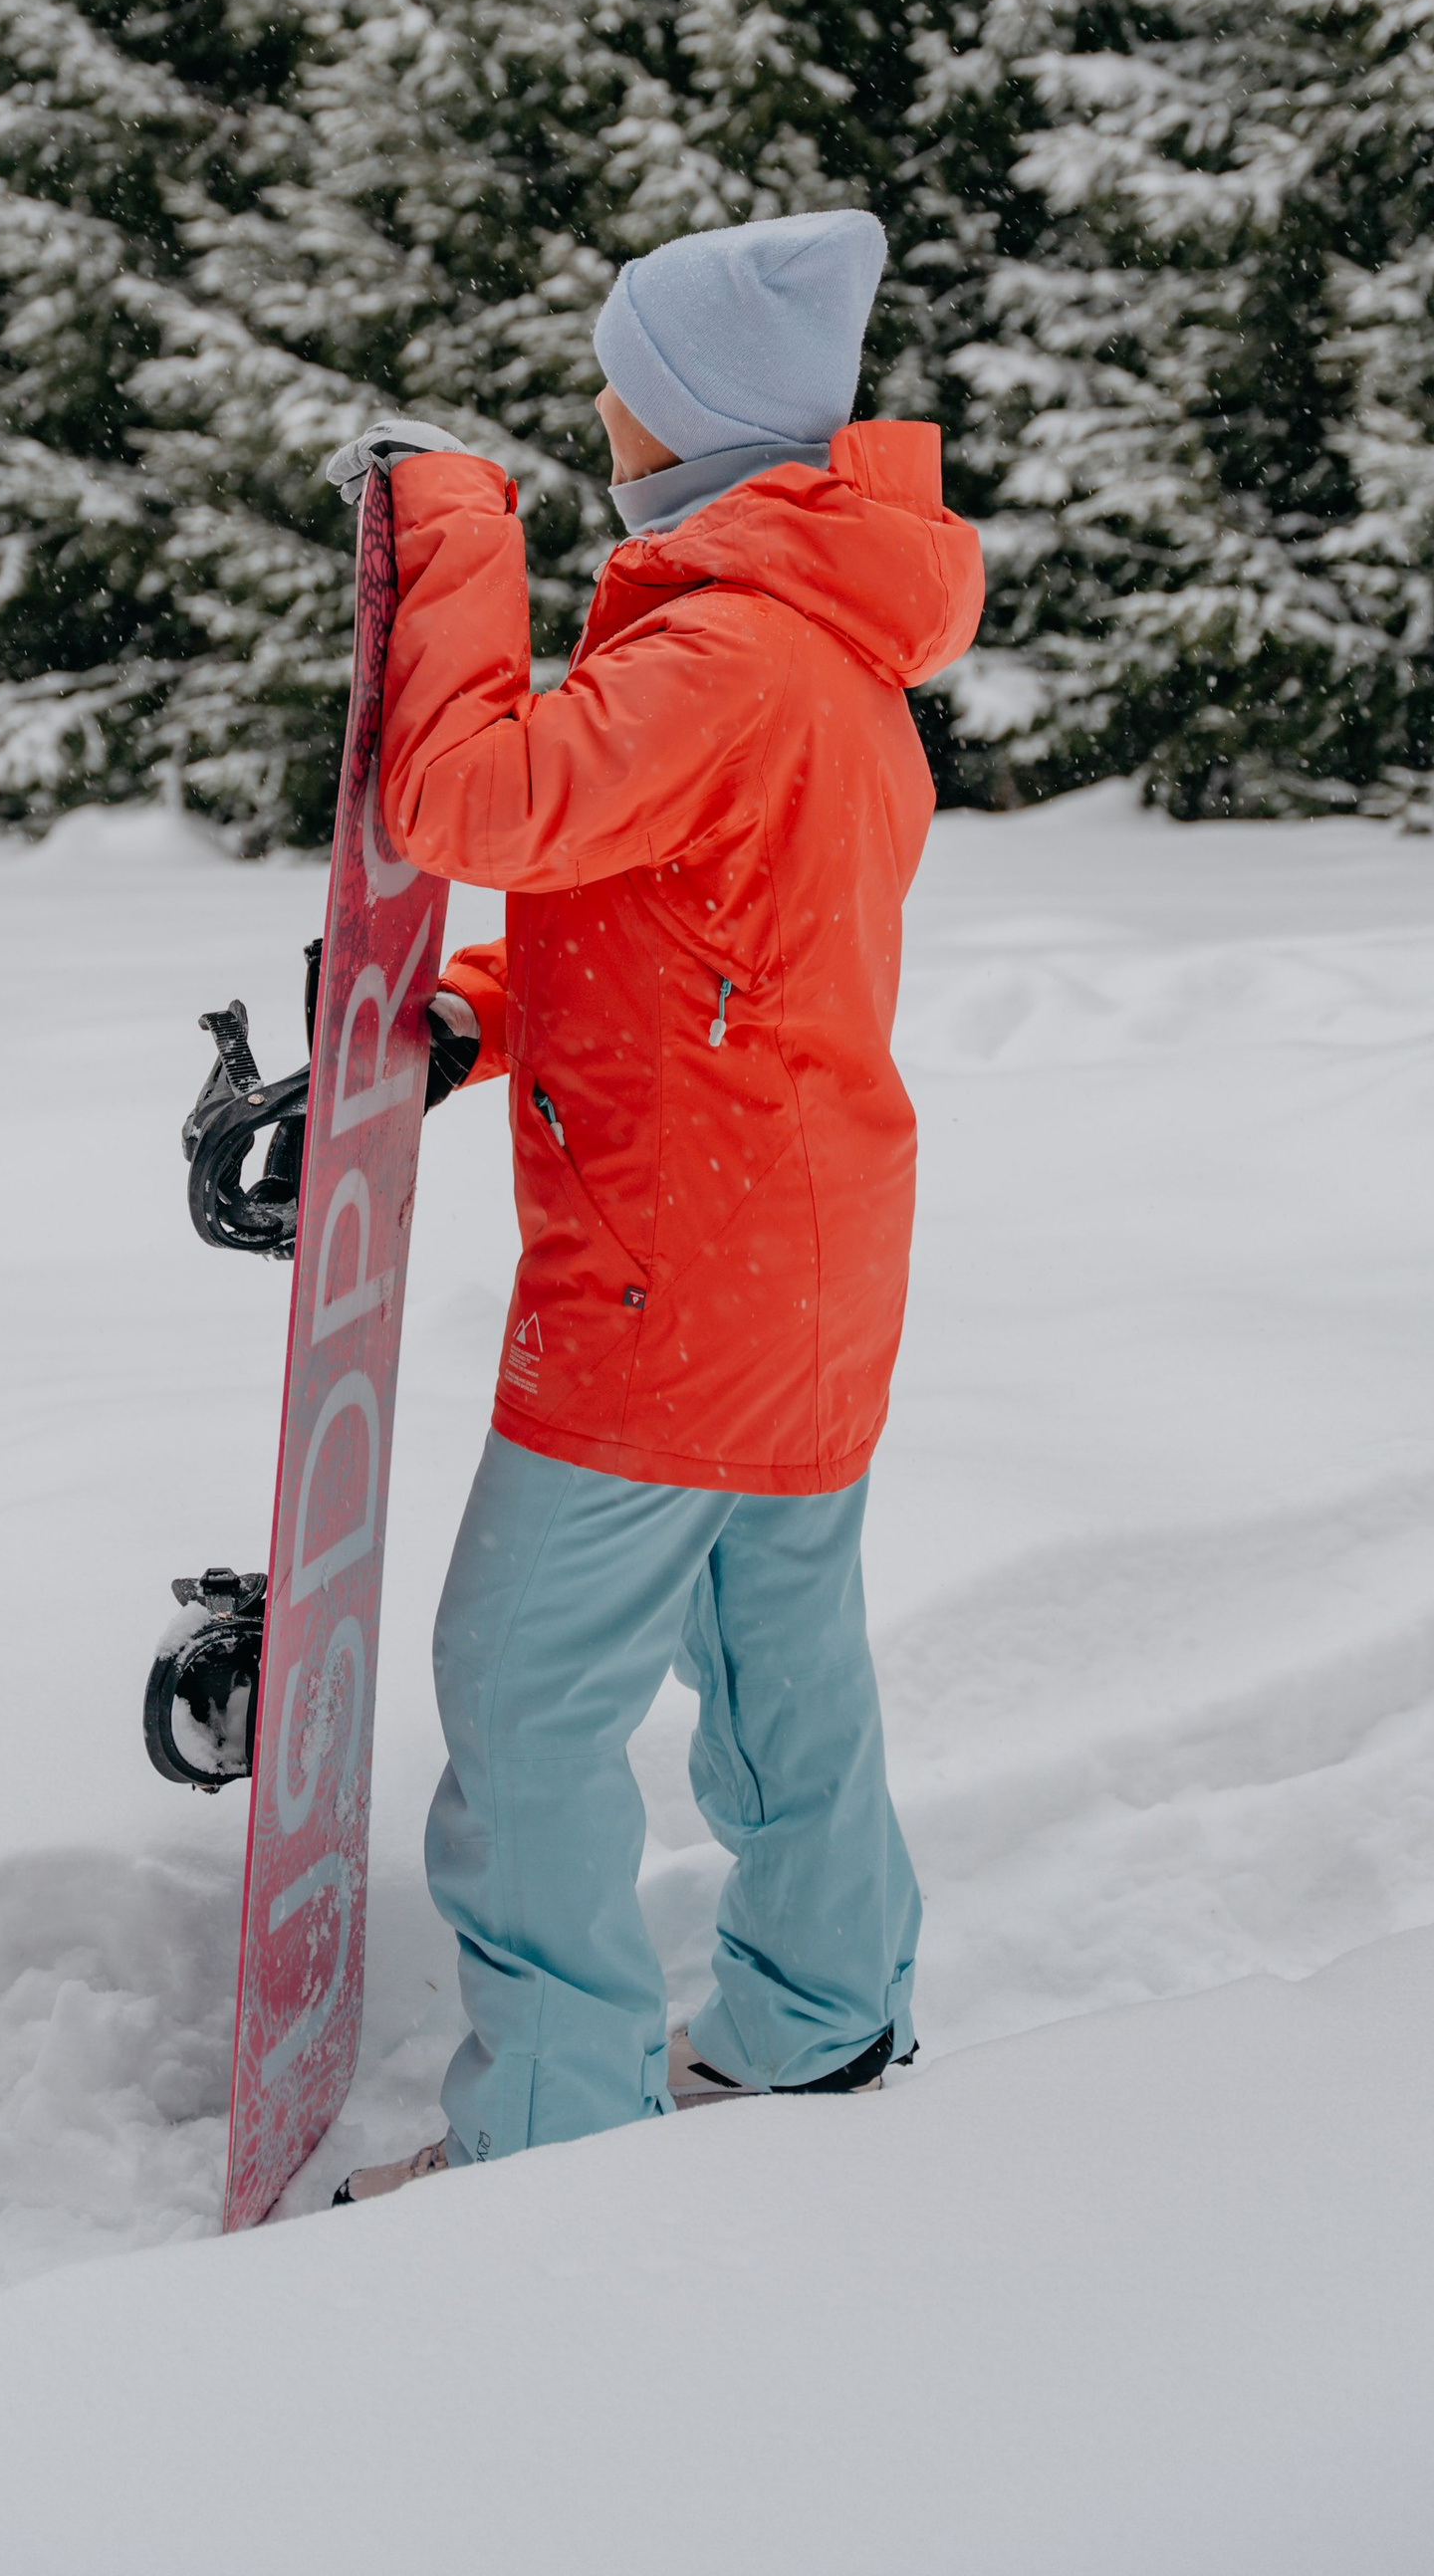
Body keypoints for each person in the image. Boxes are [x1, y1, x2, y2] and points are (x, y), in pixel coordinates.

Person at [325, 209, 983, 2201]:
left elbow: (468, 803)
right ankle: (817, 2007)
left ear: (679, 414)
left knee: (522, 1697)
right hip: (805, 1259)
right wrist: (473, 1010)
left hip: (669, 1285)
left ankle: (551, 2137)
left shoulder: (723, 648)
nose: (598, 410)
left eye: (617, 378)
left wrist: (443, 531)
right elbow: (687, 930)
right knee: (777, 1658)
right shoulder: (811, 645)